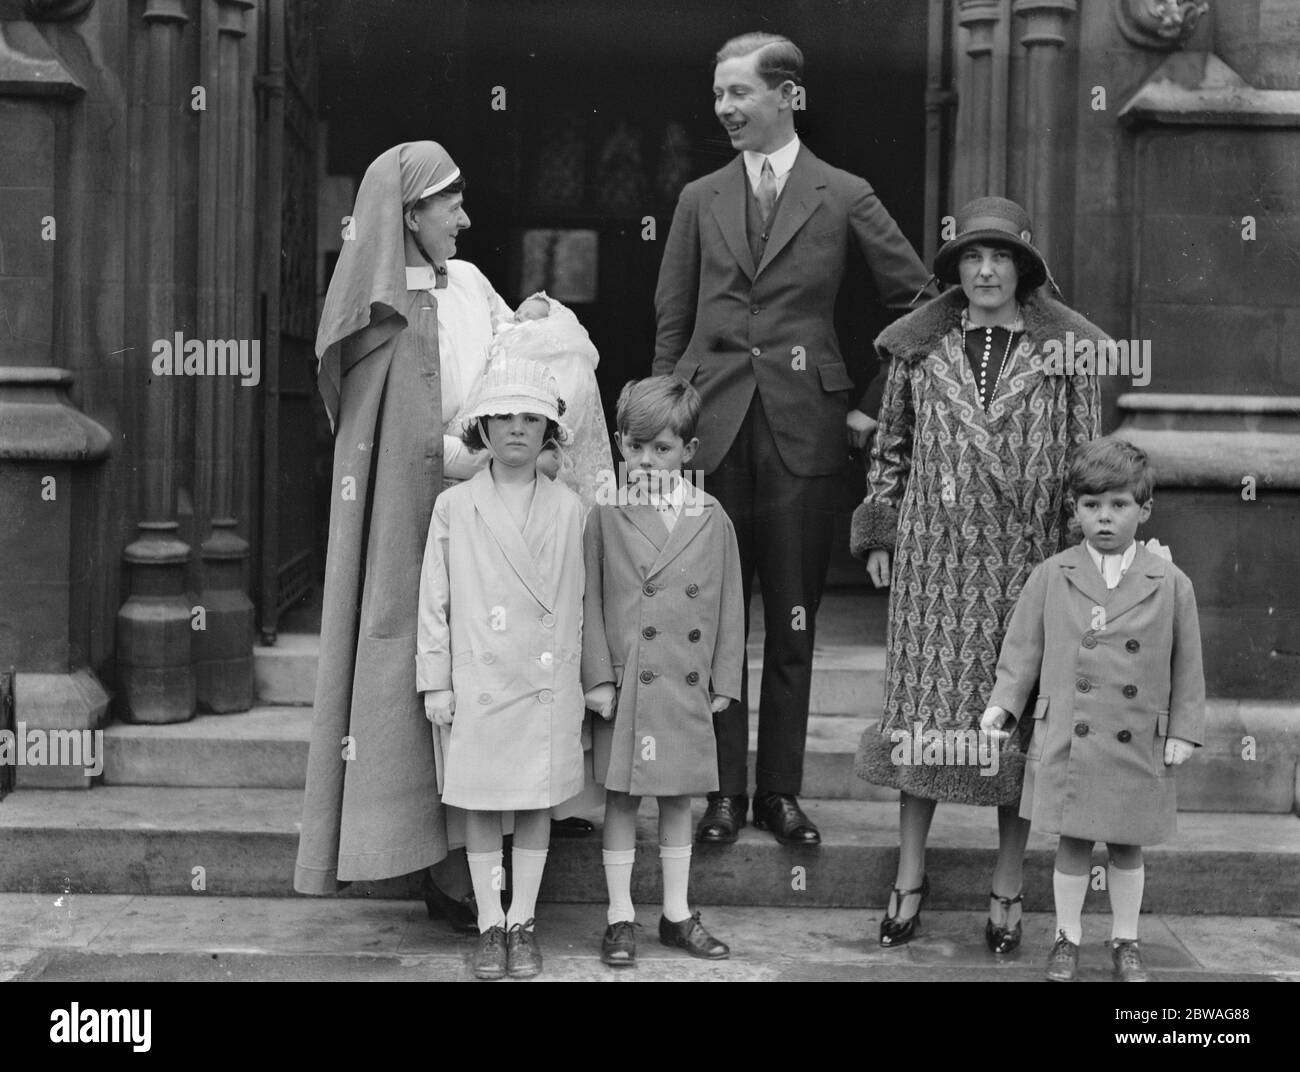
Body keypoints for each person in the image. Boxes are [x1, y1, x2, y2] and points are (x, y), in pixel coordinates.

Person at [653, 32, 934, 847]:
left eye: (739, 93)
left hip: (802, 433)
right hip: (709, 432)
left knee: (793, 617)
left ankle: (778, 792)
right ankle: (720, 795)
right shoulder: (699, 197)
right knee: (711, 622)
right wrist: (667, 422)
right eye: (718, 96)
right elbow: (673, 319)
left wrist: (871, 404)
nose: (725, 110)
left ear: (787, 96)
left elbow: (920, 304)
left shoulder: (843, 193)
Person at [850, 196, 1101, 951]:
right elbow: (889, 447)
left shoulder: (1068, 351)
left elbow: (1087, 461)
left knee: (1013, 721)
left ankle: (1006, 884)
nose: (986, 270)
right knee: (924, 722)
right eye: (972, 257)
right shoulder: (918, 347)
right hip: (934, 560)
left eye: (1001, 258)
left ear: (1024, 270)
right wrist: (882, 531)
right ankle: (909, 877)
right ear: (955, 269)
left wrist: (1076, 566)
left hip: (1025, 567)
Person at [295, 141, 482, 930]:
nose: (464, 219)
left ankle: (458, 859)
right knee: (401, 669)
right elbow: (394, 453)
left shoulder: (451, 292)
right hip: (405, 546)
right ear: (408, 215)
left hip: (460, 541)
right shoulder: (384, 320)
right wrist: (459, 459)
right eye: (451, 203)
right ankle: (430, 862)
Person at [981, 438, 1205, 982]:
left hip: (1137, 737)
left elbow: (1188, 664)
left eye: (1119, 505)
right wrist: (1003, 707)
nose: (1104, 518)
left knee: (1127, 845)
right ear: (1075, 509)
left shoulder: (1169, 582)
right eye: (1091, 506)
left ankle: (1125, 939)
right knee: (1073, 842)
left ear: (1145, 509)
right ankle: (1066, 936)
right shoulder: (1052, 574)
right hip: (1070, 735)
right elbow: (1022, 651)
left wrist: (1184, 730)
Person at [417, 357, 587, 981]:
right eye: (503, 417)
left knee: (537, 801)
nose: (516, 428)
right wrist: (435, 676)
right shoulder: (454, 507)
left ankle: (523, 919)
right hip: (481, 681)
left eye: (530, 417)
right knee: (484, 805)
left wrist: (589, 675)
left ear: (548, 432)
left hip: (544, 680)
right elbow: (434, 597)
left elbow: (581, 599)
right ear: (481, 431)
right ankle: (490, 921)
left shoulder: (570, 508)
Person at [581, 377, 744, 966]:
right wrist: (597, 676)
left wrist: (725, 680)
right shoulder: (606, 511)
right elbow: (589, 600)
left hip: (685, 682)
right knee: (621, 800)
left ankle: (676, 914)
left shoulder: (711, 514)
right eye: (637, 446)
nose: (647, 460)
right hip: (631, 685)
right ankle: (619, 916)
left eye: (663, 448)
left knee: (678, 800)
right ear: (622, 446)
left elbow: (730, 603)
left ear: (689, 452)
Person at [485, 291, 614, 513]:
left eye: (531, 315)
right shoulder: (500, 340)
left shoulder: (564, 359)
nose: (520, 317)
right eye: (519, 311)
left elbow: (569, 404)